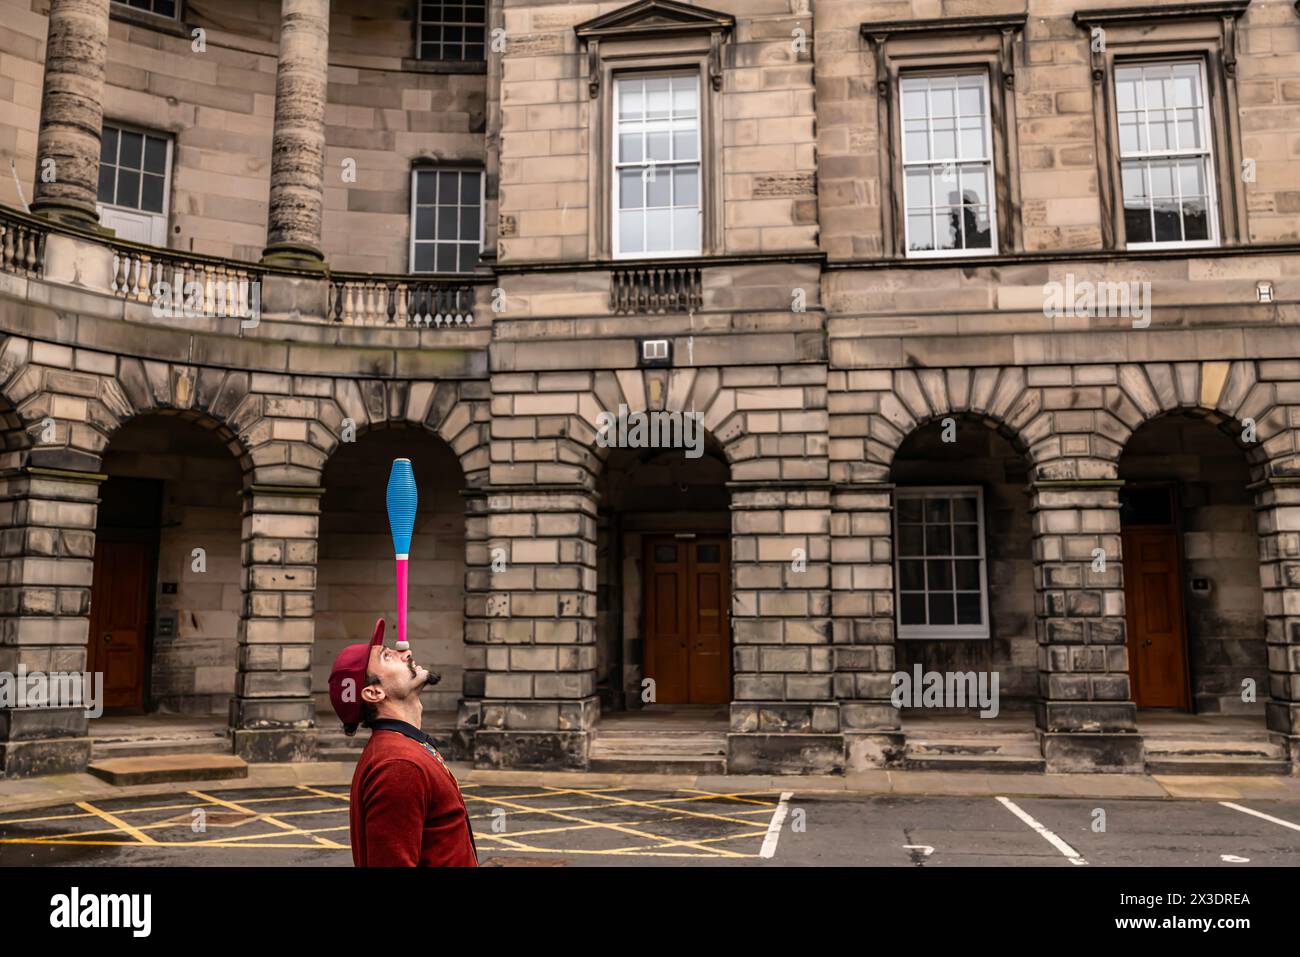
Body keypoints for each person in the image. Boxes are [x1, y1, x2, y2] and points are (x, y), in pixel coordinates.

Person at [328, 618, 478, 867]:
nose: (406, 652)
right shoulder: (399, 765)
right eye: (387, 656)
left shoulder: (401, 749)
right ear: (374, 693)